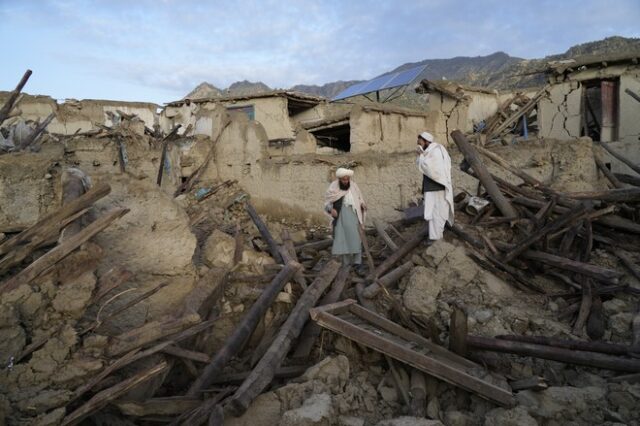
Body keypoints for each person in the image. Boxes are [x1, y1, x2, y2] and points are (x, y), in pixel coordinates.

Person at [324, 167, 367, 268]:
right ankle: (346, 263)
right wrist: (331, 210)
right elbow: (327, 203)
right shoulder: (333, 187)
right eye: (344, 179)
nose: (346, 181)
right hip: (340, 217)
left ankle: (357, 262)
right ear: (339, 179)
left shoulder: (353, 186)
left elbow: (359, 198)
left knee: (356, 238)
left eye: (347, 179)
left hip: (353, 215)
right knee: (343, 239)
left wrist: (362, 204)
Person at [416, 132, 454, 240]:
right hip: (431, 188)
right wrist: (421, 155)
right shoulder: (428, 152)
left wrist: (421, 155)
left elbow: (431, 169)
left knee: (438, 212)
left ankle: (436, 237)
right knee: (433, 213)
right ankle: (434, 236)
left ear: (427, 141)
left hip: (437, 187)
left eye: (421, 143)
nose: (419, 145)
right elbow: (421, 165)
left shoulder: (436, 151)